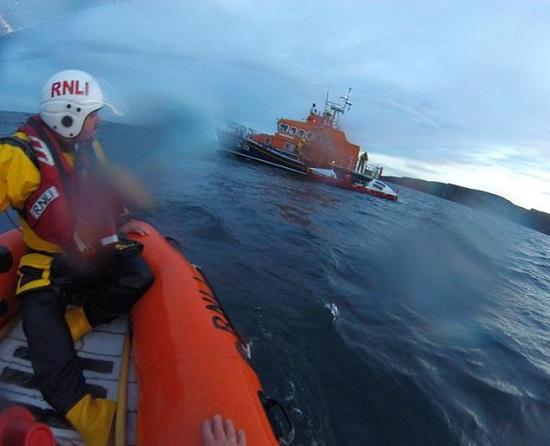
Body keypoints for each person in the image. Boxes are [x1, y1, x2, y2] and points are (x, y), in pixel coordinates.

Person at [0, 69, 154, 446]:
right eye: (92, 113)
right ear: (67, 116)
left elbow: (97, 192)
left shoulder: (89, 148)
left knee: (138, 272)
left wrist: (121, 219)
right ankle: (85, 411)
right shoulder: (16, 157)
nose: (99, 120)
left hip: (88, 253)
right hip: (45, 262)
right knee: (42, 334)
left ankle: (78, 322)